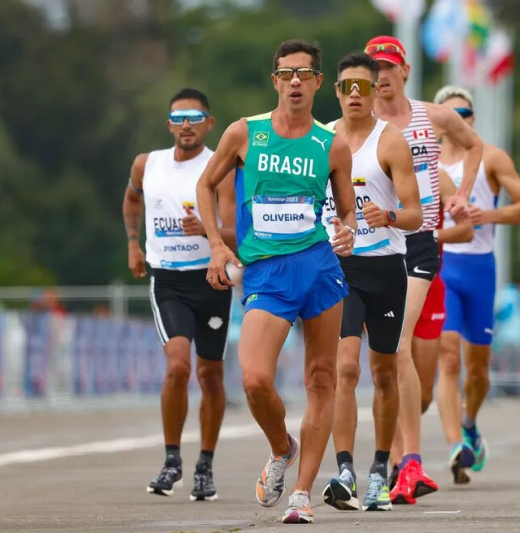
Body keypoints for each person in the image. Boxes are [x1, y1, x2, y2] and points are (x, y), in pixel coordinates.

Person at [195, 39, 357, 524]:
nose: (294, 83)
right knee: (254, 379)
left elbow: (345, 207)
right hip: (266, 272)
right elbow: (205, 184)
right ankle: (281, 446)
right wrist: (218, 247)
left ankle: (303, 492)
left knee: (322, 378)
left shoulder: (332, 145)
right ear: (275, 80)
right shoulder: (246, 133)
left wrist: (346, 229)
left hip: (320, 269)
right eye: (286, 74)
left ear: (317, 82)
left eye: (304, 75)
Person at [364, 34, 484, 504]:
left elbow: (472, 147)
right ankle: (403, 462)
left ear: (404, 72)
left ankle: (407, 460)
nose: (383, 76)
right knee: (390, 355)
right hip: (375, 247)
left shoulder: (432, 117)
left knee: (399, 348)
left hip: (420, 243)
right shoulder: (357, 126)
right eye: (375, 69)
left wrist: (462, 196)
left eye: (390, 67)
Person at [318, 51, 422, 513]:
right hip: (341, 268)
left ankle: (381, 468)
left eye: (365, 85)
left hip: (385, 268)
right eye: (347, 87)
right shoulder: (320, 141)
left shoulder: (390, 141)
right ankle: (344, 470)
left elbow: (418, 215)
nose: (356, 95)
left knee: (383, 373)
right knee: (344, 367)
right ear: (337, 92)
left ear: (375, 89)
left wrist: (389, 216)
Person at [122, 88, 236, 502]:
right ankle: (172, 459)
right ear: (169, 124)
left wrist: (207, 230)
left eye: (195, 116)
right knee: (177, 367)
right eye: (178, 117)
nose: (186, 124)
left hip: (211, 279)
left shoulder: (219, 167)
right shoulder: (146, 164)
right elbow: (132, 198)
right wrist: (134, 243)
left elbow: (235, 230)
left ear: (210, 123)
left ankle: (205, 464)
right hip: (167, 279)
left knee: (210, 375)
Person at [432, 86, 520, 484]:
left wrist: (488, 214)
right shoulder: (428, 161)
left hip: (480, 268)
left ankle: (470, 420)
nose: (459, 117)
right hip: (444, 266)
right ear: (439, 120)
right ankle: (456, 444)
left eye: (465, 111)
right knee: (448, 357)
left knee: (477, 371)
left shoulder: (491, 157)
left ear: (472, 118)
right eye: (450, 112)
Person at [391, 166, 474, 492]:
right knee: (393, 363)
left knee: (422, 392)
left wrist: (430, 235)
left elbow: (466, 230)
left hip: (429, 280)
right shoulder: (372, 167)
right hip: (388, 278)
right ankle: (398, 461)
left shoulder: (435, 176)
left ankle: (406, 452)